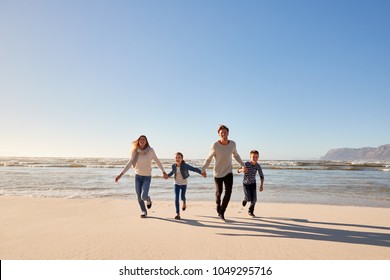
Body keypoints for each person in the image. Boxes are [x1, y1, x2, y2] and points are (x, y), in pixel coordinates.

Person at [201, 125, 247, 221]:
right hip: (217, 173)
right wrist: (203, 169)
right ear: (219, 134)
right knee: (219, 192)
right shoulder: (215, 145)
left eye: (225, 132)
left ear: (228, 133)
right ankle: (218, 203)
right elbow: (208, 158)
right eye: (222, 133)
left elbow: (236, 155)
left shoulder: (232, 144)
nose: (224, 134)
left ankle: (222, 212)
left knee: (228, 192)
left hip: (228, 171)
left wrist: (243, 165)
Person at [115, 135, 168, 218]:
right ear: (138, 141)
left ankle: (148, 199)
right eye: (140, 139)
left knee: (144, 196)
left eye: (144, 139)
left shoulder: (150, 151)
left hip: (147, 177)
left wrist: (163, 171)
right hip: (137, 177)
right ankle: (144, 211)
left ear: (146, 141)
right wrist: (120, 174)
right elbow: (129, 163)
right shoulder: (135, 151)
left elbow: (157, 161)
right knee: (139, 197)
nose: (142, 141)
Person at [166, 152, 205, 220]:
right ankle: (177, 214)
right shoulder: (173, 166)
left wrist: (201, 173)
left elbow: (194, 169)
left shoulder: (185, 165)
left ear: (182, 159)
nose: (177, 159)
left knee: (182, 197)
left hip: (184, 183)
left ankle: (184, 203)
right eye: (176, 158)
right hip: (176, 183)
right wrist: (167, 176)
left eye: (179, 158)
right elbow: (172, 172)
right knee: (176, 198)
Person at [238, 150, 264, 217]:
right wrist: (242, 170)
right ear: (250, 157)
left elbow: (261, 176)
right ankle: (245, 199)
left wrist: (261, 185)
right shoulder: (246, 164)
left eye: (256, 157)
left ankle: (250, 211)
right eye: (253, 157)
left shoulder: (258, 166)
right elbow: (238, 170)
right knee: (248, 198)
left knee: (254, 200)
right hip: (246, 184)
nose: (255, 158)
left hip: (253, 184)